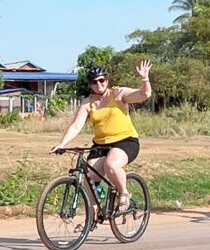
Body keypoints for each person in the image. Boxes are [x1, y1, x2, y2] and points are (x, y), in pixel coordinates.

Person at [50, 60, 152, 211]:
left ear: (107, 80)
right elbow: (77, 125)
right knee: (89, 177)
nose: (99, 84)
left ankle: (124, 194)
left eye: (102, 80)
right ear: (90, 85)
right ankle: (93, 215)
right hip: (101, 144)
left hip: (125, 141)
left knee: (111, 165)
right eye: (94, 82)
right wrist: (62, 143)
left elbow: (145, 94)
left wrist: (144, 78)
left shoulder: (118, 94)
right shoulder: (87, 103)